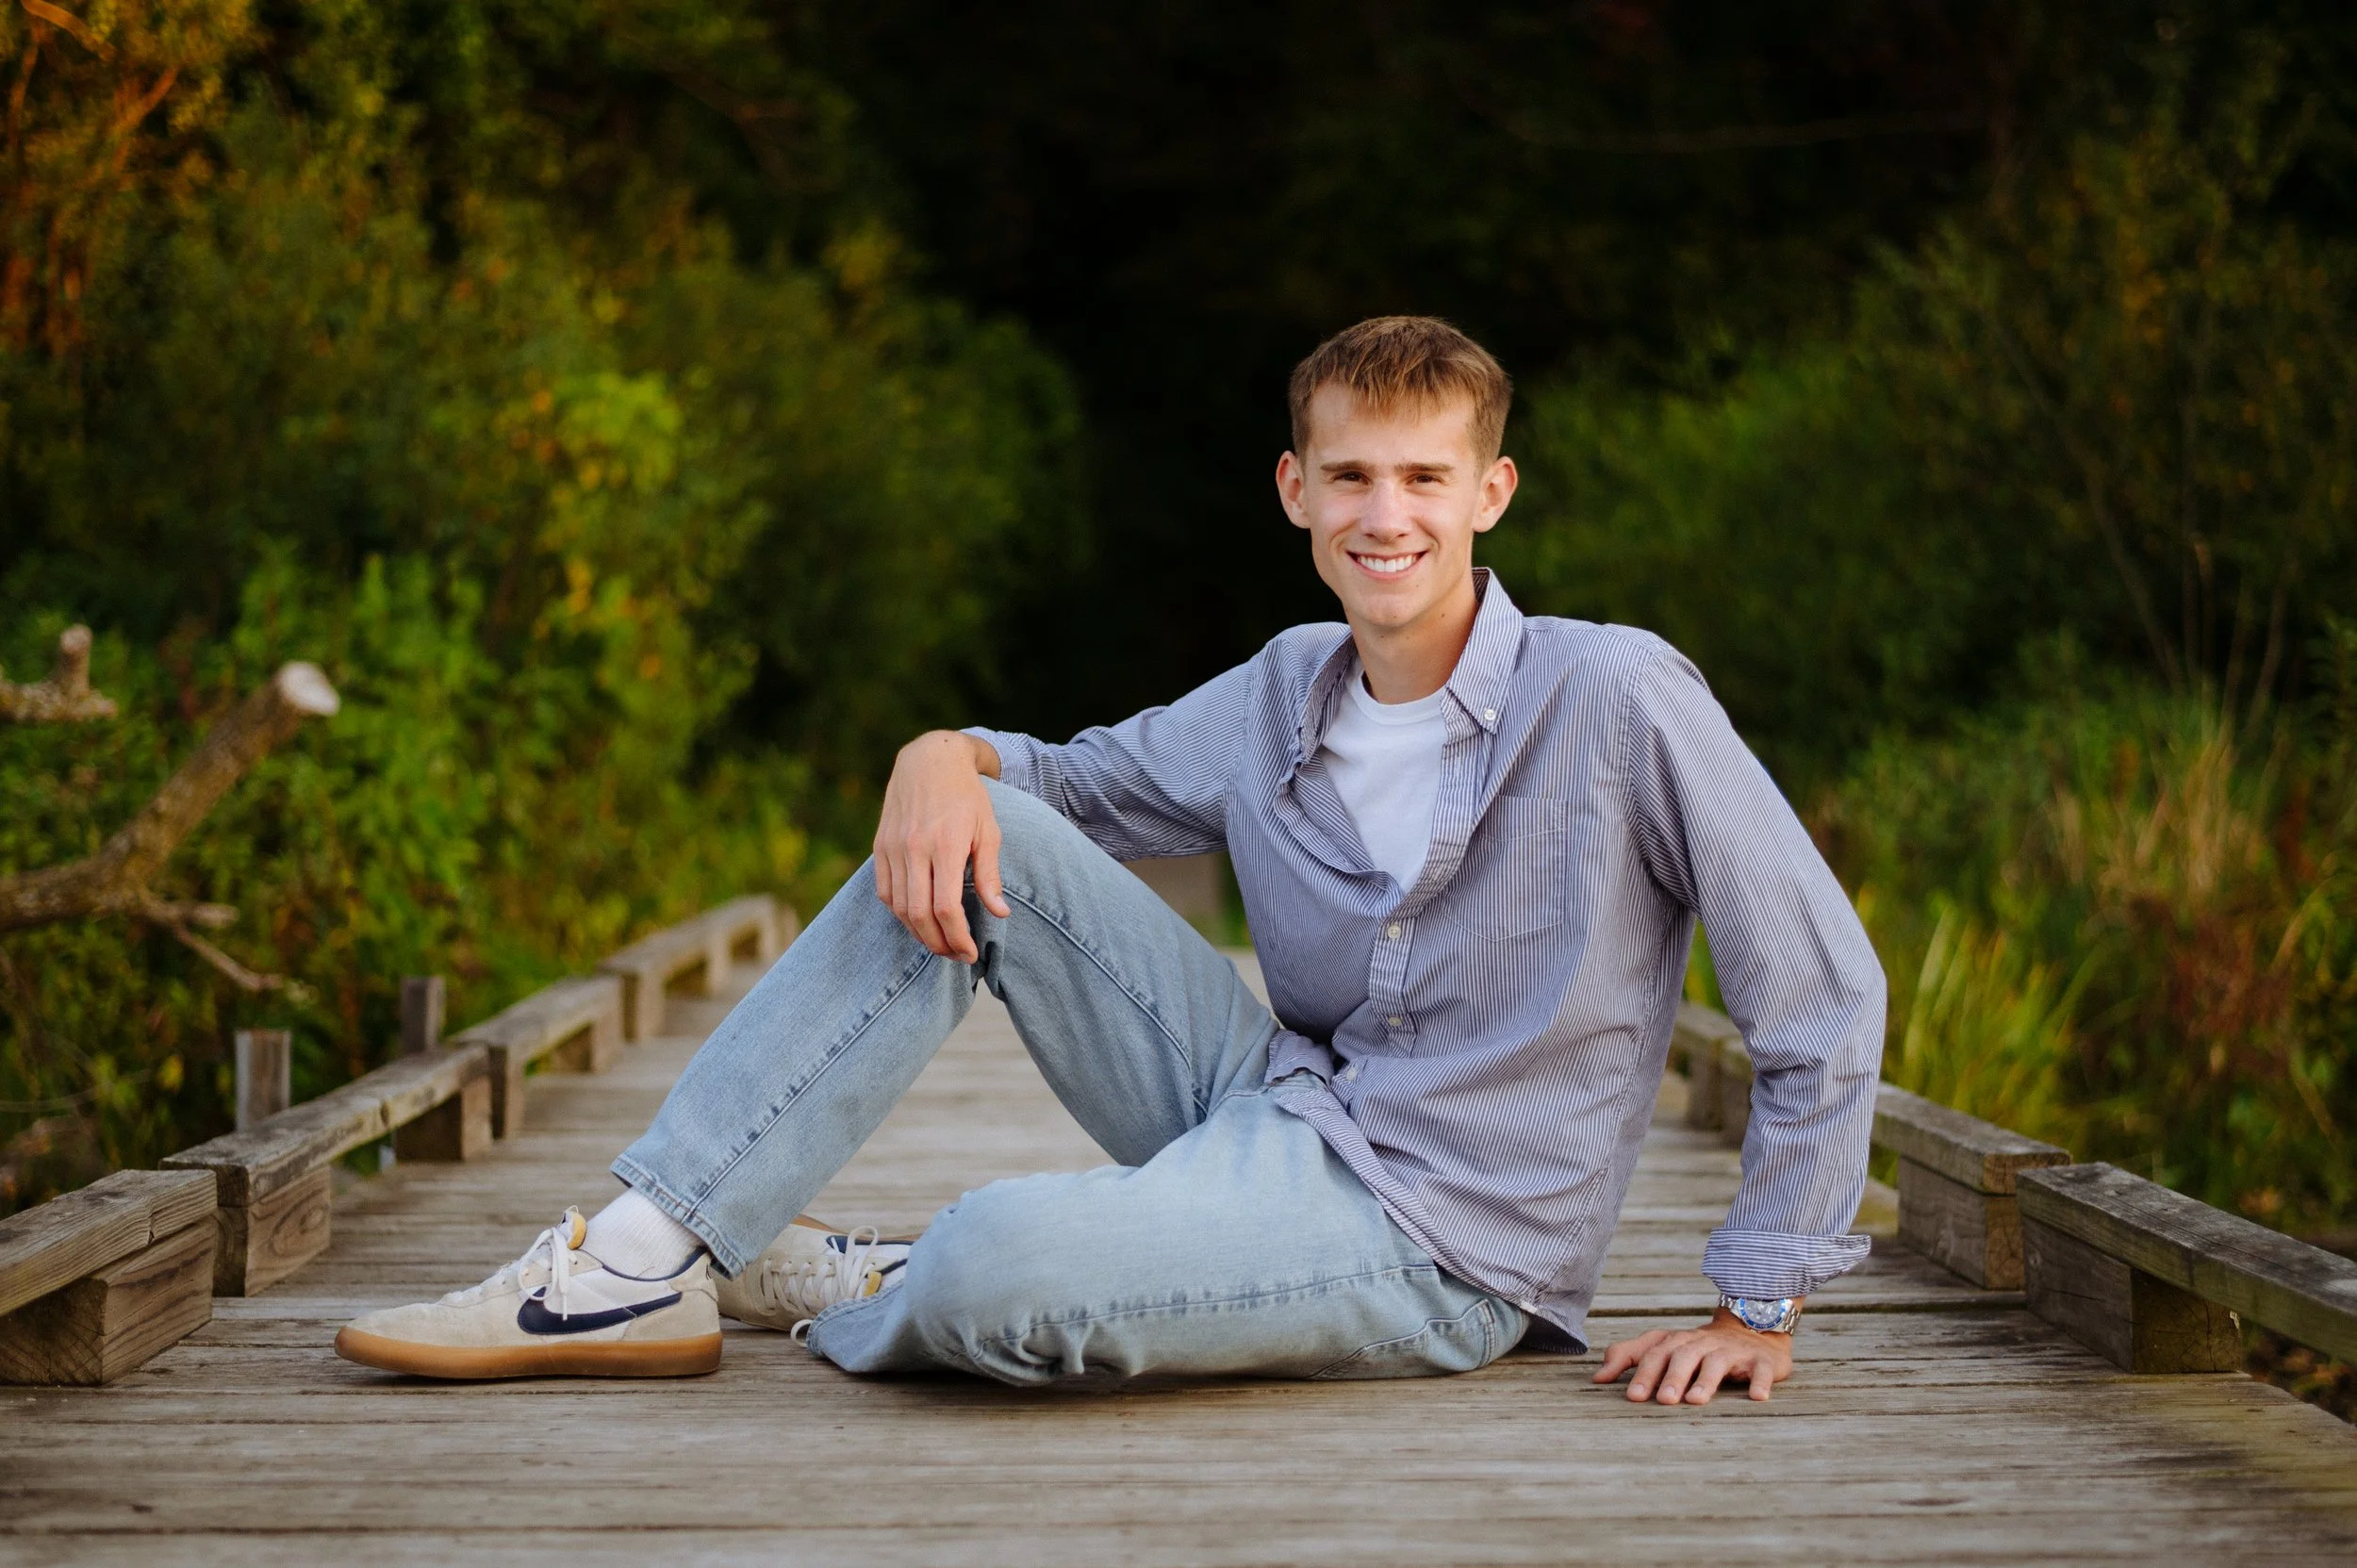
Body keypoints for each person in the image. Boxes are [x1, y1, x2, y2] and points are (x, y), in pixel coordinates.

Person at [335, 316, 1884, 1406]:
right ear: (1296, 493)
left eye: (1424, 478)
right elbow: (1058, 781)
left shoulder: (1615, 697)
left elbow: (1819, 994)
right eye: (1350, 476)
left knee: (1005, 1264)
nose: (1385, 513)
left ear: (1491, 493)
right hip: (1276, 1096)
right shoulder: (1283, 685)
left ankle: (888, 1271)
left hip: (1444, 1244)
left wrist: (1760, 1301)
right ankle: (640, 1259)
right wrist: (936, 753)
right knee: (980, 826)